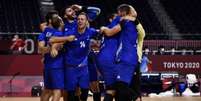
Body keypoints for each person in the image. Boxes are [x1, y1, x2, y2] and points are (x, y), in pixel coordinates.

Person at [100, 4, 138, 101]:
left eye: (118, 12)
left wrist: (103, 28)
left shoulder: (125, 21)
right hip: (126, 57)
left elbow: (109, 32)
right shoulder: (129, 21)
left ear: (122, 12)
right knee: (118, 87)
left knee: (119, 86)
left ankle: (136, 97)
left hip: (127, 57)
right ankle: (135, 97)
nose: (117, 15)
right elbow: (134, 14)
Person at [38, 14, 75, 101]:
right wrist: (54, 48)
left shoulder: (44, 32)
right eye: (58, 19)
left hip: (48, 66)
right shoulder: (60, 34)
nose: (61, 21)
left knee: (47, 90)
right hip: (57, 66)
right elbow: (58, 44)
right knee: (57, 91)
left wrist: (50, 49)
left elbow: (40, 49)